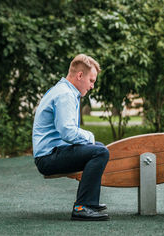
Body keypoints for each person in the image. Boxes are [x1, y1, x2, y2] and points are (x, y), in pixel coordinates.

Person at [33, 54, 110, 221]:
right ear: (80, 75)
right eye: (91, 80)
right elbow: (67, 132)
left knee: (99, 148)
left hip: (51, 153)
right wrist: (90, 136)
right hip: (48, 157)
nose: (92, 86)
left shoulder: (64, 90)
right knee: (100, 152)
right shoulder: (65, 94)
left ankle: (89, 202)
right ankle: (82, 207)